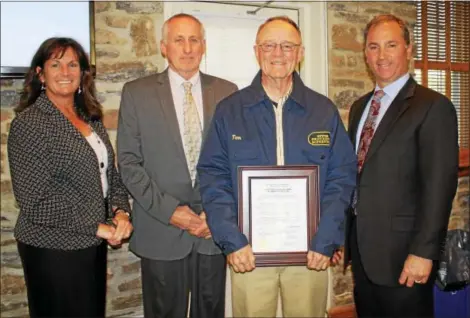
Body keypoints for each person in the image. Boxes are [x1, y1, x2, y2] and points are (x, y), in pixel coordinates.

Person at [197, 16, 356, 318]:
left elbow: (342, 177)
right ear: (256, 51)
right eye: (269, 45)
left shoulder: (323, 111)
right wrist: (232, 240)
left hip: (310, 252)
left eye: (287, 46)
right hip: (249, 253)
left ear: (300, 53)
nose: (278, 54)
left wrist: (327, 238)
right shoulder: (230, 111)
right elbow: (213, 177)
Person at [117, 13, 237, 318]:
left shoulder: (227, 92)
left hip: (211, 229)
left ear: (204, 46)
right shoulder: (137, 93)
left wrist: (218, 211)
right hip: (160, 228)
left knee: (210, 311)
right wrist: (170, 211)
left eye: (194, 39)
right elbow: (129, 163)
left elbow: (237, 159)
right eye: (178, 40)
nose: (187, 48)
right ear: (163, 46)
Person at [342, 14, 459, 317]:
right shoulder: (359, 108)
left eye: (391, 45)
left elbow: (439, 187)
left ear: (409, 49)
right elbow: (355, 175)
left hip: (405, 256)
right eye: (373, 47)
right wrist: (343, 237)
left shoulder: (433, 106)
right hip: (364, 254)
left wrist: (423, 252)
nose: (381, 56)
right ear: (365, 54)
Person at [8, 37, 132, 318]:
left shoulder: (90, 117)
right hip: (51, 249)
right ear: (40, 73)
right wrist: (98, 227)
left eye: (73, 64)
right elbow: (35, 202)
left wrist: (121, 212)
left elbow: (110, 173)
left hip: (92, 244)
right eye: (56, 64)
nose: (65, 72)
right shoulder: (29, 124)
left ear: (83, 73)